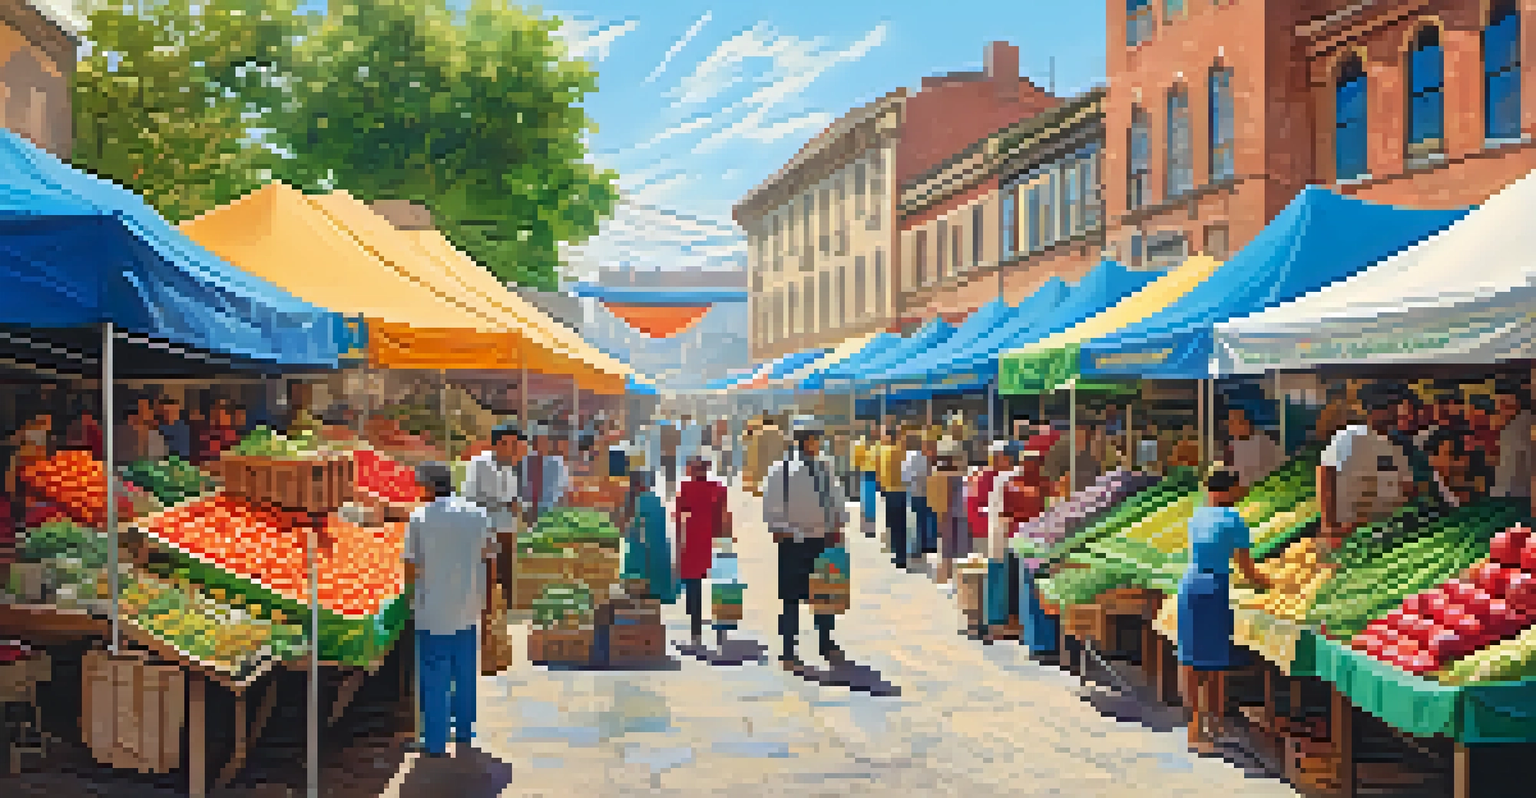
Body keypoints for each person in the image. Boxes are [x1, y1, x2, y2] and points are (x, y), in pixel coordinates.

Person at [403, 462, 496, 758]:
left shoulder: (419, 518)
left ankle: (435, 741)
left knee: (434, 675)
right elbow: (489, 556)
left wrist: (411, 597)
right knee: (465, 672)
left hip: (434, 608)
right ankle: (465, 732)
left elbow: (410, 565)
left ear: (429, 487)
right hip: (469, 605)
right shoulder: (477, 514)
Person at [1177, 468, 1272, 752]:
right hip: (1214, 589)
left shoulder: (1198, 516)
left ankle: (1201, 726)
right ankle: (1204, 729)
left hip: (1190, 584)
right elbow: (1246, 569)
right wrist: (1270, 584)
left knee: (1192, 660)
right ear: (1230, 490)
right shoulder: (1234, 520)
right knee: (1215, 660)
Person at [763, 417, 849, 675]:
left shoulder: (825, 466)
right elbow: (771, 502)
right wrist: (778, 528)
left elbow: (835, 497)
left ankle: (826, 643)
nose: (818, 442)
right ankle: (789, 650)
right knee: (790, 598)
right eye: (815, 438)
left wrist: (838, 525)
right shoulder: (781, 469)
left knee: (826, 594)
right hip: (793, 540)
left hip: (823, 539)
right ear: (803, 440)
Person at [1317, 387, 1425, 549]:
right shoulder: (1349, 436)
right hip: (1347, 531)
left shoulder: (1396, 447)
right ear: (1373, 410)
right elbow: (1325, 473)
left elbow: (1407, 489)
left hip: (1381, 533)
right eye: (1388, 408)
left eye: (1394, 407)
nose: (1393, 413)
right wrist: (1328, 526)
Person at [462, 423, 524, 612]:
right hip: (485, 528)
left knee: (505, 571)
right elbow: (470, 497)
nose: (512, 448)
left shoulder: (511, 467)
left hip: (506, 528)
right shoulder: (479, 463)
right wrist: (504, 503)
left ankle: (503, 611)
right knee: (486, 573)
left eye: (515, 443)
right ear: (496, 444)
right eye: (507, 443)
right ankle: (485, 613)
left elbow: (512, 496)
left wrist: (517, 504)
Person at [674, 457, 731, 647]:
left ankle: (695, 632)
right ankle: (722, 632)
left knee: (693, 588)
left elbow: (679, 520)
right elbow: (724, 518)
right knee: (722, 588)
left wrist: (677, 549)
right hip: (714, 541)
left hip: (692, 543)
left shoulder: (685, 489)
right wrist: (726, 542)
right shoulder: (719, 489)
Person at [623, 468, 676, 603]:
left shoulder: (642, 502)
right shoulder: (652, 501)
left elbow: (635, 532)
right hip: (654, 560)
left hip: (643, 560)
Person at [930, 438, 969, 590]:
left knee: (947, 547)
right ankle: (952, 578)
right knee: (957, 548)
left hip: (947, 512)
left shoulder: (938, 473)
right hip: (955, 513)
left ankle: (945, 576)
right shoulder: (956, 475)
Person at [519, 425, 569, 526]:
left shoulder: (557, 463)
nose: (540, 445)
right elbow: (520, 485)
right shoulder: (524, 461)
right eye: (537, 441)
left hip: (550, 510)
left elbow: (561, 490)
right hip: (526, 511)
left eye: (544, 441)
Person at [875, 425, 908, 568]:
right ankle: (900, 554)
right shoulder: (901, 451)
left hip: (891, 491)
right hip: (900, 490)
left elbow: (880, 472)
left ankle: (897, 553)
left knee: (894, 524)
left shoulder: (884, 451)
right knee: (900, 524)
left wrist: (880, 487)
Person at [1492, 390, 1534, 500]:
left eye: (1503, 403)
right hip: (1514, 490)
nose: (1499, 409)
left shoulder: (1519, 427)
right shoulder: (1511, 427)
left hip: (1517, 492)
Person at [902, 431, 935, 569]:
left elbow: (905, 476)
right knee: (923, 519)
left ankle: (916, 547)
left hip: (914, 491)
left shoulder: (909, 457)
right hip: (924, 491)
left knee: (915, 520)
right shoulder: (924, 458)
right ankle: (926, 545)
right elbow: (928, 473)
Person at [1225, 407, 1281, 488]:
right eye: (1229, 423)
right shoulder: (1233, 444)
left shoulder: (1263, 443)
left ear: (1247, 423)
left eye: (1234, 422)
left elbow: (1251, 476)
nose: (1230, 427)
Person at [854, 428, 880, 539]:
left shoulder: (878, 445)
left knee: (872, 504)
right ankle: (866, 526)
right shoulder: (861, 444)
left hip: (874, 474)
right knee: (866, 502)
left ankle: (871, 527)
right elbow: (856, 461)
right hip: (866, 474)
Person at [659, 418, 681, 497]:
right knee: (671, 474)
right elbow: (678, 443)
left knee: (669, 474)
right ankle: (670, 490)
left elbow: (662, 445)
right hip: (671, 455)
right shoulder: (676, 434)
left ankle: (670, 490)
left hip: (668, 454)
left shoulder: (664, 435)